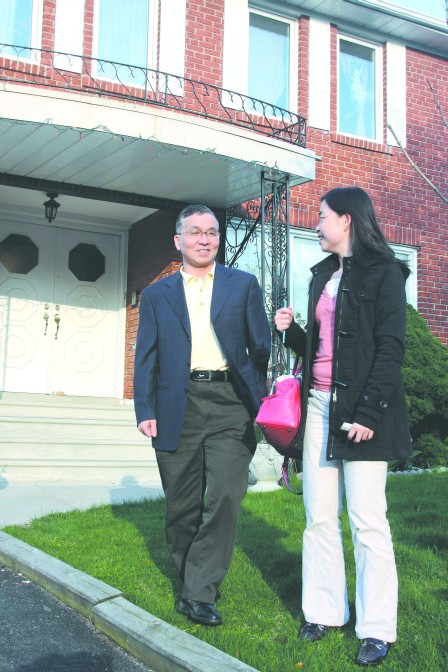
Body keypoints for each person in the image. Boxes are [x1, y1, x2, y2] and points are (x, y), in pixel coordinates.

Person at [275, 186, 411, 666]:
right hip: (318, 404)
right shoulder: (323, 275)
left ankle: (377, 628)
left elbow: (390, 349)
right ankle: (324, 612)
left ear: (347, 219)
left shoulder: (386, 273)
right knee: (319, 515)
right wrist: (292, 333)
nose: (316, 224)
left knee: (367, 520)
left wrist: (369, 413)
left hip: (361, 410)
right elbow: (322, 350)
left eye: (322, 216)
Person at [133, 204, 271, 627]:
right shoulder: (156, 295)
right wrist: (145, 408)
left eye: (211, 232)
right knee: (182, 505)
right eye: (195, 232)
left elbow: (260, 345)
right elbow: (146, 357)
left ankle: (199, 592)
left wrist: (255, 392)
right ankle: (194, 582)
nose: (204, 239)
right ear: (179, 240)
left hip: (231, 403)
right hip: (177, 404)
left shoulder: (242, 284)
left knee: (226, 494)